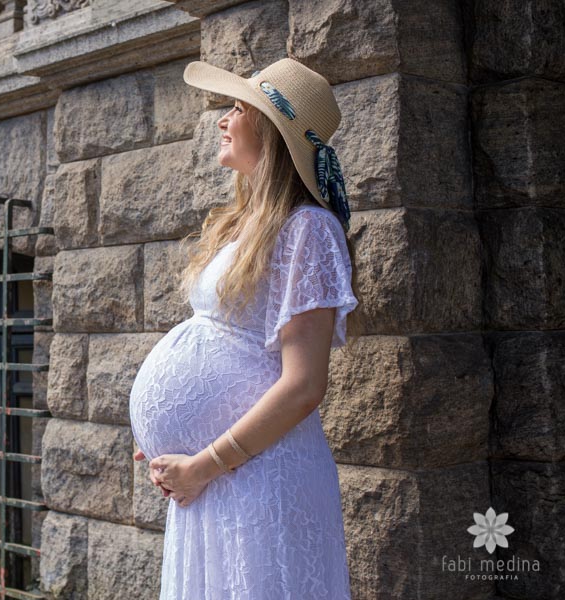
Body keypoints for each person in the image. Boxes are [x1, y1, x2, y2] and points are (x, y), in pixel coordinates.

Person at [128, 57, 358, 599]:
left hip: (257, 479)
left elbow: (304, 384)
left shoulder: (309, 230)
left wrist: (204, 463)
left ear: (273, 131)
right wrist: (166, 437)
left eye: (237, 108)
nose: (222, 119)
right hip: (215, 480)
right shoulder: (244, 225)